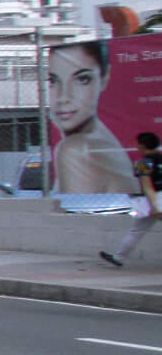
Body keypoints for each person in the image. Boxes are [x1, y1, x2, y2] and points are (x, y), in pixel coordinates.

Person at [48, 41, 139, 195]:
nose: (63, 97)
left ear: (104, 78)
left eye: (82, 79)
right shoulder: (101, 143)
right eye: (53, 80)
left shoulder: (77, 149)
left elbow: (76, 214)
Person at [101, 131, 162, 267]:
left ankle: (118, 257)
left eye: (138, 144)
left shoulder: (142, 163)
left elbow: (147, 187)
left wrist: (154, 207)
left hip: (155, 199)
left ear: (142, 146)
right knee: (137, 230)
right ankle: (118, 257)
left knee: (137, 231)